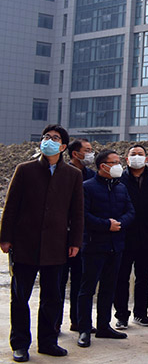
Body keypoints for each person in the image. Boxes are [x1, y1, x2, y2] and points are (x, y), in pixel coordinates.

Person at [0, 125, 84, 362]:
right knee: (20, 297)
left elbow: (77, 212)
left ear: (63, 146)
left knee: (52, 297)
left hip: (56, 245)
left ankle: (48, 342)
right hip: (25, 243)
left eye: (55, 138)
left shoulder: (72, 175)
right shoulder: (24, 169)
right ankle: (20, 344)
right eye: (46, 137)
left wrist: (75, 241)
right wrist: (5, 238)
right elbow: (11, 206)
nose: (49, 140)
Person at [77, 150, 135, 348]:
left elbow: (130, 211)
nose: (119, 166)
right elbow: (83, 215)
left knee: (108, 288)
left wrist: (120, 223)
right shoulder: (87, 187)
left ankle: (104, 326)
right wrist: (105, 225)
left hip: (115, 245)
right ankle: (84, 329)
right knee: (87, 289)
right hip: (94, 245)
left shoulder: (121, 187)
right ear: (103, 166)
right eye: (114, 162)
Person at [113, 145, 148, 329]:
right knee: (121, 278)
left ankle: (141, 314)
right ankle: (121, 315)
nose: (136, 157)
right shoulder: (118, 178)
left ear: (146, 159)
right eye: (133, 154)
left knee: (144, 278)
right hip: (124, 236)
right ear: (127, 159)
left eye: (140, 154)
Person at [58, 138, 96, 334]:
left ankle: (79, 321)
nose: (91, 153)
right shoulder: (61, 173)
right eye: (87, 150)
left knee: (81, 282)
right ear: (75, 153)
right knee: (58, 282)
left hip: (84, 237)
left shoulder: (91, 175)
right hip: (61, 236)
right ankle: (54, 324)